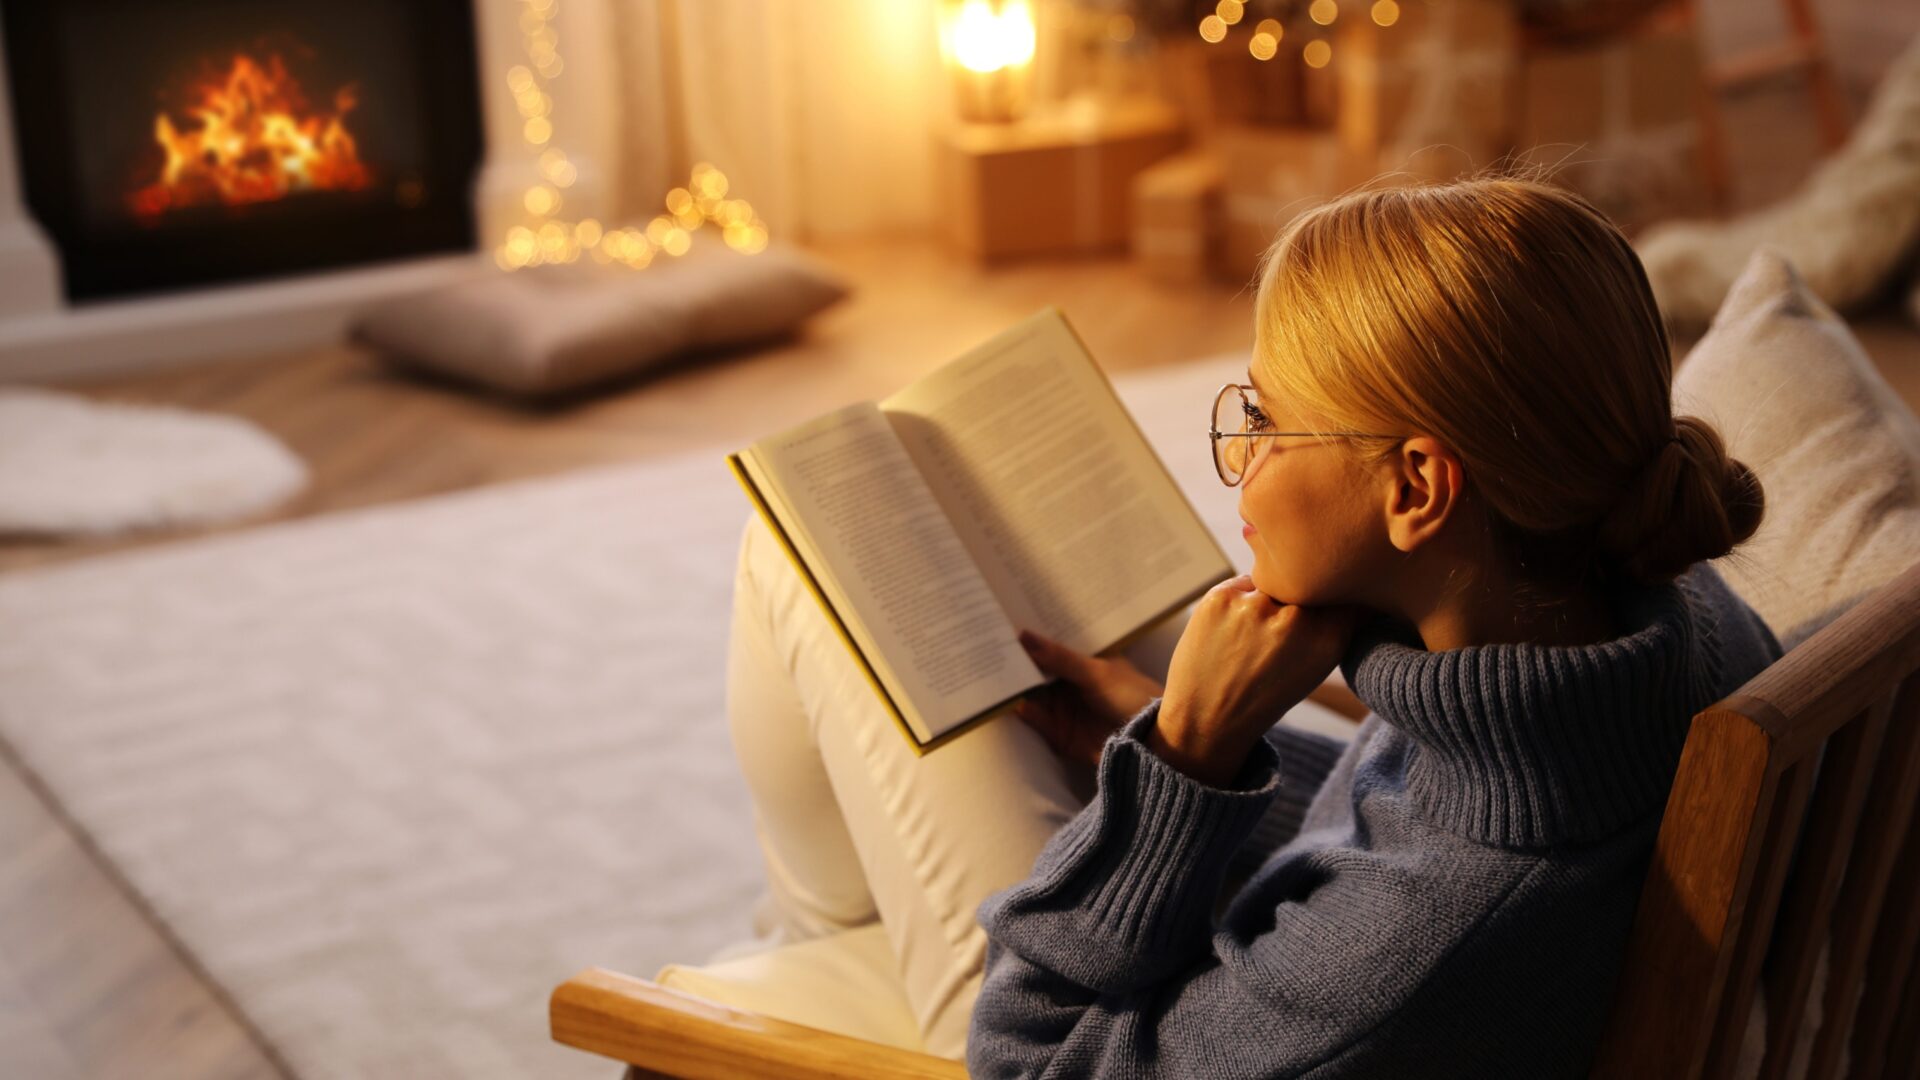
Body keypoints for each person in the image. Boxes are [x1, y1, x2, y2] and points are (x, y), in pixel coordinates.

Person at [723, 177, 1780, 1076]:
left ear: (1417, 487)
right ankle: (813, 940)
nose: (1244, 453)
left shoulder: (1401, 962)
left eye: (1269, 419)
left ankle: (797, 957)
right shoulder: (1663, 613)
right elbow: (1404, 821)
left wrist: (1181, 767)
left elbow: (1031, 1061)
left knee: (803, 547)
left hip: (1071, 1027)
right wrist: (1209, 756)